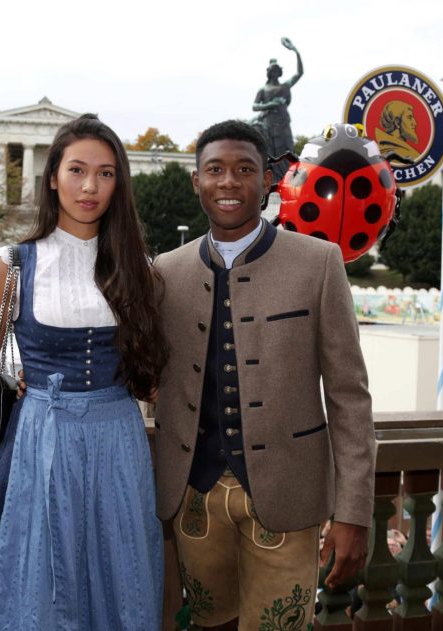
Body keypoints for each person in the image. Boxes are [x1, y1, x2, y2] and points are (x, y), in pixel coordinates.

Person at [0, 113, 167, 630]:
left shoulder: (141, 271)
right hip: (37, 448)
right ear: (52, 175)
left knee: (121, 587)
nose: (90, 186)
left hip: (118, 448)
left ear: (119, 183)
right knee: (34, 596)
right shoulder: (11, 266)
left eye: (106, 173)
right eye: (77, 170)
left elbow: (154, 381)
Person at [153, 120, 375, 630]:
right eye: (215, 170)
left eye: (244, 170)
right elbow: (144, 371)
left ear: (269, 179)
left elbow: (349, 398)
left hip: (289, 498)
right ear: (196, 182)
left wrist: (353, 511)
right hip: (193, 498)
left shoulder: (319, 263)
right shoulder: (165, 271)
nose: (228, 182)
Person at [251, 36, 303, 183]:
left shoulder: (285, 86)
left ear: (279, 72)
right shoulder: (263, 89)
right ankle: (272, 182)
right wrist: (272, 104)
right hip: (268, 124)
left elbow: (299, 73)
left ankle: (288, 180)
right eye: (272, 71)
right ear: (269, 72)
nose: (274, 72)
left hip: (283, 121)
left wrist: (296, 52)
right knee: (271, 154)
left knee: (287, 150)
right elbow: (255, 106)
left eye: (276, 70)